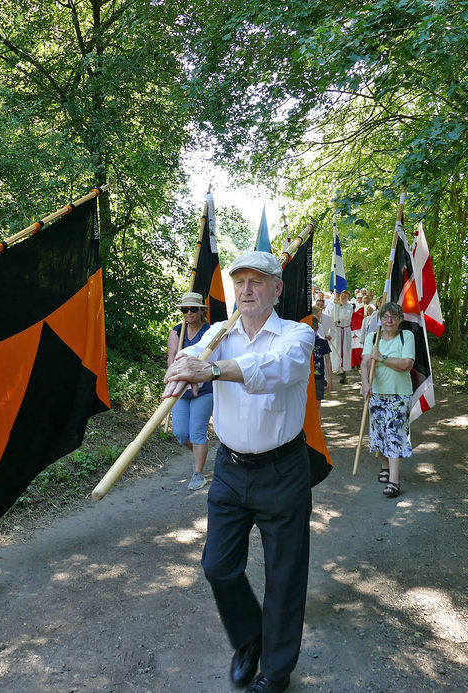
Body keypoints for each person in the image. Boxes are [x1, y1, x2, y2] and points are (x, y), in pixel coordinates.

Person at [163, 250, 314, 693]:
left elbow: (276, 370)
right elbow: (188, 359)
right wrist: (183, 369)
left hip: (283, 469)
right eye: (240, 283)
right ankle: (250, 639)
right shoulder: (216, 334)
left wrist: (210, 370)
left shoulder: (296, 335)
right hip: (230, 468)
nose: (246, 291)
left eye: (257, 282)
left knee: (285, 576)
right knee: (217, 566)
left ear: (276, 289)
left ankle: (275, 671)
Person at [360, 301, 416, 498]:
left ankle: (394, 481)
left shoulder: (406, 337)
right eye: (385, 317)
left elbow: (406, 364)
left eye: (393, 317)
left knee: (394, 434)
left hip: (399, 394)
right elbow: (366, 362)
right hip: (376, 392)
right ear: (380, 319)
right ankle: (384, 467)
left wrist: (382, 358)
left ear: (399, 320)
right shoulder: (372, 337)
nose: (389, 320)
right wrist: (365, 384)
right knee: (379, 432)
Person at [166, 292, 214, 490]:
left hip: (204, 389)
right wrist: (171, 378)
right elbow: (171, 356)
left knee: (197, 432)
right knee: (181, 434)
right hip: (180, 388)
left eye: (193, 309)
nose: (188, 313)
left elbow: (211, 359)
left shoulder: (209, 331)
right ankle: (200, 449)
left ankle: (198, 473)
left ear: (202, 311)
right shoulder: (177, 331)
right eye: (185, 309)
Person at [330, 291, 354, 382]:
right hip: (337, 330)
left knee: (345, 350)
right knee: (337, 349)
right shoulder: (335, 305)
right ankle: (338, 368)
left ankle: (343, 370)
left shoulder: (349, 306)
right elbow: (332, 316)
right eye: (342, 296)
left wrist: (340, 307)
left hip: (345, 330)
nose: (344, 298)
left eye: (346, 296)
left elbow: (346, 316)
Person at [311, 316, 333, 413]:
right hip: (305, 378)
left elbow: (328, 361)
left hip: (318, 377)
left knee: (317, 404)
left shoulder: (322, 342)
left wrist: (330, 380)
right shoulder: (302, 342)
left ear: (317, 329)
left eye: (313, 329)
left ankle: (318, 426)